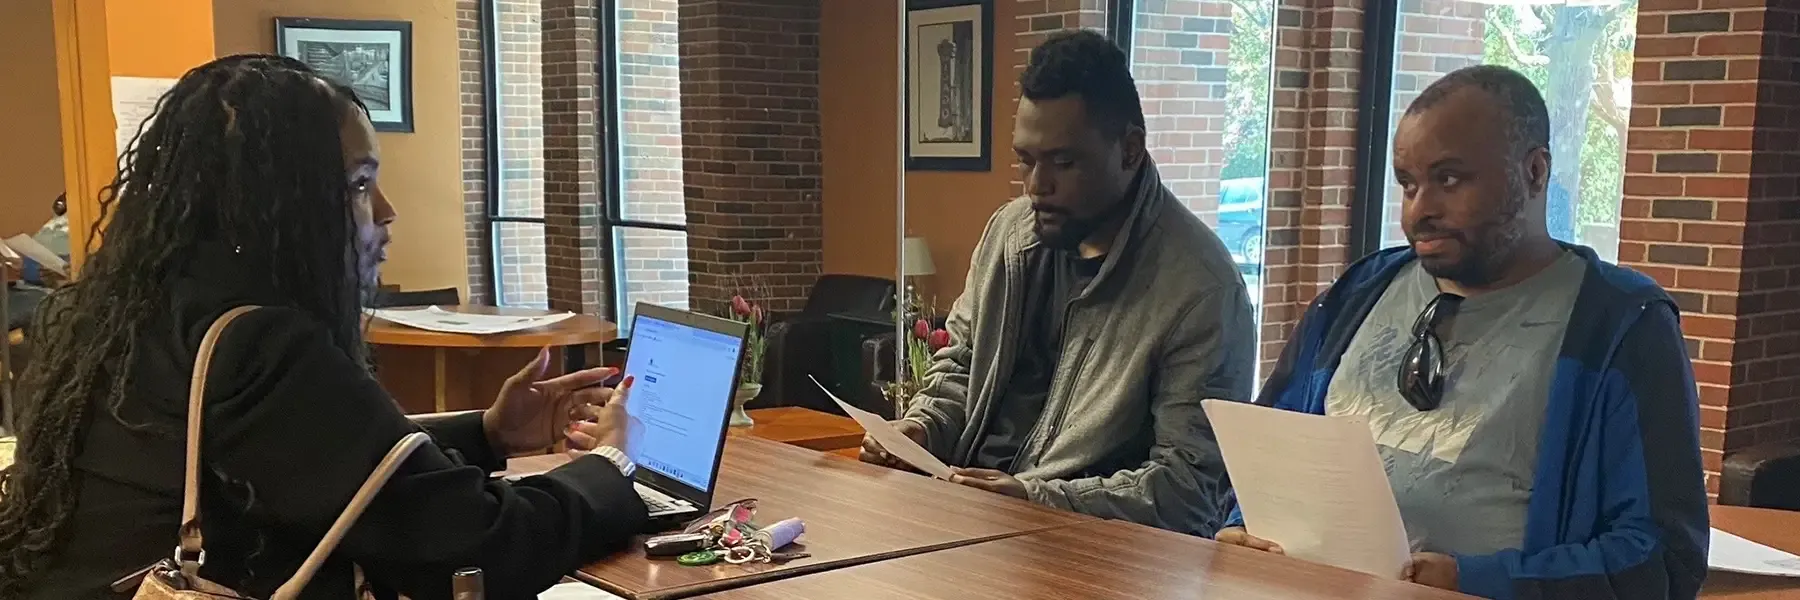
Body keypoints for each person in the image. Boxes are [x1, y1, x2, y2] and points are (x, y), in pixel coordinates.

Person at [0, 55, 647, 599]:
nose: (386, 212)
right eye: (361, 184)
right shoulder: (257, 345)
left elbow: (318, 464)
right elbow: (474, 549)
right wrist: (613, 466)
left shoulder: (125, 313)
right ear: (279, 207)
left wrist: (488, 432)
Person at [1213, 65, 1708, 599]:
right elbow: (1261, 464)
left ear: (1535, 173)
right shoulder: (1357, 294)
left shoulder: (1620, 327)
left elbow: (1660, 558)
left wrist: (1477, 584)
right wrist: (1247, 530)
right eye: (1408, 184)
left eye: (1449, 180)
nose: (1420, 210)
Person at [861, 29, 1255, 536]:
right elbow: (959, 366)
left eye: (1064, 163)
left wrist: (1035, 499)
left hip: (1083, 551)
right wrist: (919, 430)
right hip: (964, 519)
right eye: (1026, 159)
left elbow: (1191, 492)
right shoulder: (1009, 233)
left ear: (1130, 150)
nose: (1035, 186)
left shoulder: (1201, 290)